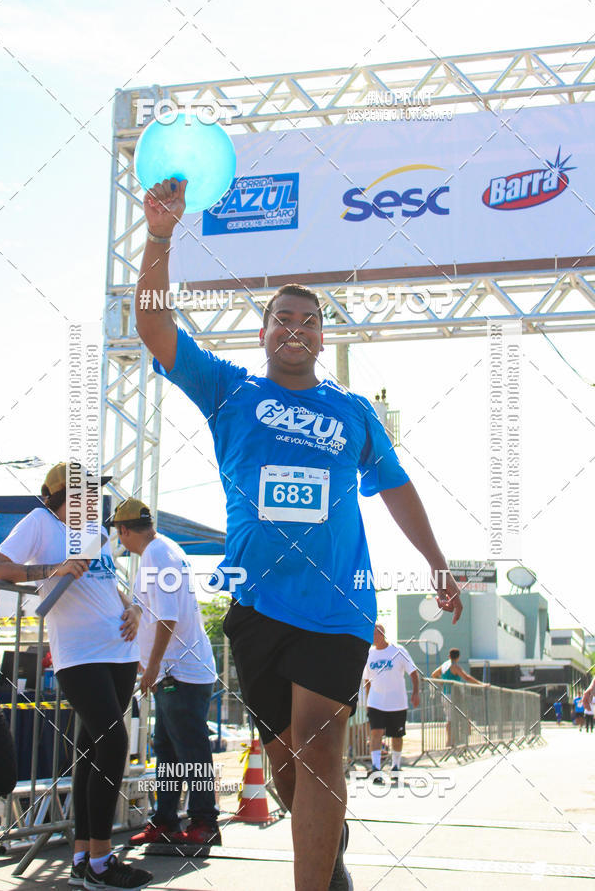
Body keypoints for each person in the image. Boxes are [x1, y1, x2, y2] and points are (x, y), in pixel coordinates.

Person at [134, 177, 463, 891]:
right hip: (256, 608)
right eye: (282, 317)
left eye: (309, 322)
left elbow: (396, 487)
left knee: (320, 745)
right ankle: (326, 840)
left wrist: (436, 561)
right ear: (263, 332)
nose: (295, 328)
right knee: (287, 769)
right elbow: (156, 330)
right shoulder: (229, 390)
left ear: (322, 336)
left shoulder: (351, 413)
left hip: (337, 605)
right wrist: (160, 238)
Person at [0, 464, 152, 891]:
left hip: (118, 649)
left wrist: (132, 607)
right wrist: (53, 569)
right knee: (113, 740)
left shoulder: (94, 532)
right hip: (79, 653)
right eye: (83, 493)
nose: (92, 501)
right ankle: (101, 862)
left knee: (89, 751)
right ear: (61, 495)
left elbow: (105, 582)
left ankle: (83, 858)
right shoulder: (40, 523)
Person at [109, 498, 221, 852]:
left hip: (179, 671)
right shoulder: (161, 551)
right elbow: (149, 609)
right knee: (170, 751)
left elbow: (168, 617)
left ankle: (205, 822)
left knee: (190, 749)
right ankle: (166, 820)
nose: (119, 541)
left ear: (125, 530)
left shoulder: (158, 555)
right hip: (177, 671)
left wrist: (153, 665)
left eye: (119, 534)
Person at [363, 624, 419, 778]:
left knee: (397, 735)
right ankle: (376, 768)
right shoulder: (369, 654)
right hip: (376, 702)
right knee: (376, 733)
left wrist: (416, 692)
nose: (374, 637)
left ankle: (396, 766)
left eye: (376, 633)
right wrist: (368, 701)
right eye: (372, 634)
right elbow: (367, 680)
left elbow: (413, 672)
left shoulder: (398, 651)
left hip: (397, 702)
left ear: (383, 634)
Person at [431, 648, 486, 747]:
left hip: (446, 694)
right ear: (458, 657)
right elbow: (466, 677)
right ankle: (455, 740)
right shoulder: (455, 666)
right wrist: (481, 684)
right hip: (454, 695)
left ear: (449, 655)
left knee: (450, 718)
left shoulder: (444, 666)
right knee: (461, 716)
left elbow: (434, 674)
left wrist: (442, 683)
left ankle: (451, 740)